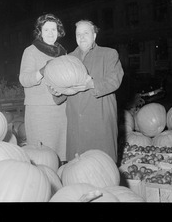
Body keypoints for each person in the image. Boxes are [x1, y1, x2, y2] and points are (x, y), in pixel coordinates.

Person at [50, 19, 124, 163]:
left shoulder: (109, 54)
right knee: (78, 168)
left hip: (99, 121)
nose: (82, 37)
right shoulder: (68, 58)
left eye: (86, 33)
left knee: (102, 167)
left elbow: (114, 80)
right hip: (76, 124)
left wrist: (92, 84)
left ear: (94, 35)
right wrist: (57, 91)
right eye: (78, 34)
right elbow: (61, 89)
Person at [19, 13, 68, 163]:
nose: (50, 33)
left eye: (54, 29)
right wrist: (41, 71)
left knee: (61, 154)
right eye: (46, 30)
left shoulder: (63, 52)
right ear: (40, 32)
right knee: (44, 156)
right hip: (40, 110)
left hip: (61, 108)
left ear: (59, 32)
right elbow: (24, 79)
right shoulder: (30, 51)